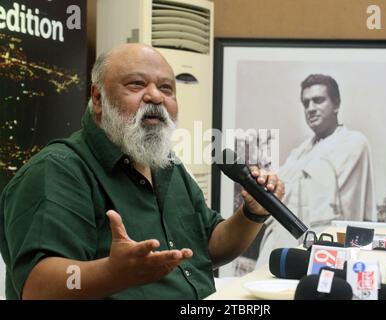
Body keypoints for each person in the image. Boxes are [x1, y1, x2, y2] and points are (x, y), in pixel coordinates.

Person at [0, 43, 285, 300]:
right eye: (136, 85)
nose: (155, 97)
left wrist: (252, 213)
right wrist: (113, 272)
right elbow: (37, 287)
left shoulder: (166, 165)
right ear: (98, 99)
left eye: (166, 88)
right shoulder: (57, 170)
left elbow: (209, 247)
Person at [256, 74, 375, 267]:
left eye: (318, 100)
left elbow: (301, 192)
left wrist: (284, 184)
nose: (310, 108)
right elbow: (277, 190)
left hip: (321, 246)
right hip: (281, 240)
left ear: (336, 105)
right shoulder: (300, 151)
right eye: (306, 103)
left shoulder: (353, 142)